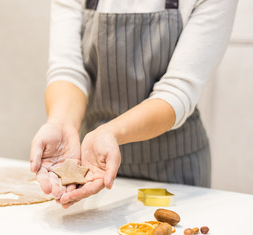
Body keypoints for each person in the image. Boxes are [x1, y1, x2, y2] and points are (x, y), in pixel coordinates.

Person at [30, 0, 237, 208]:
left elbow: (178, 90)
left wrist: (110, 133)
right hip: (90, 161)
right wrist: (61, 123)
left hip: (175, 169)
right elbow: (68, 70)